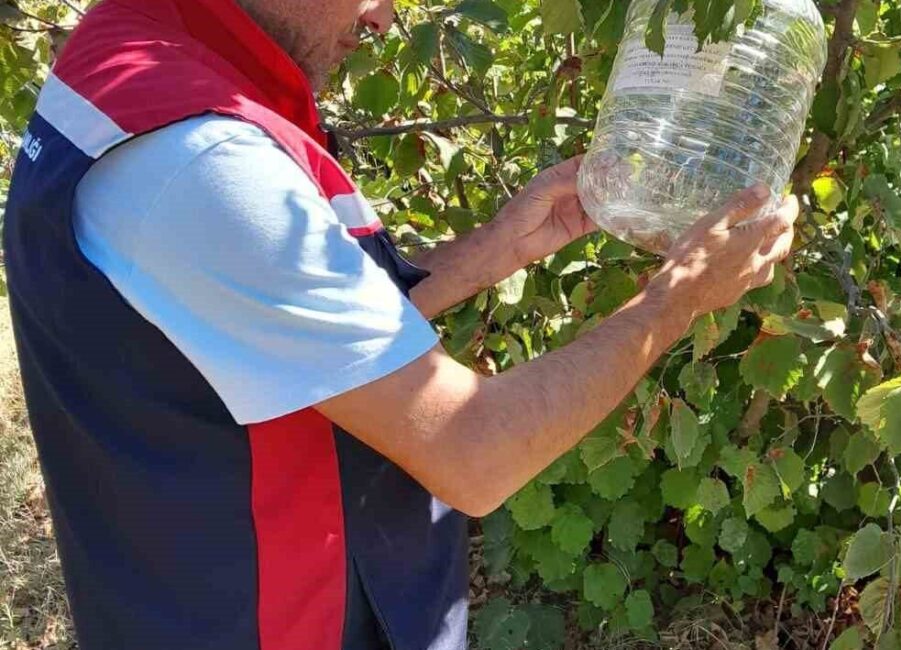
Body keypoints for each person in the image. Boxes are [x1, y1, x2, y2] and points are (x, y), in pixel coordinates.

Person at [1, 0, 798, 648]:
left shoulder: (137, 58)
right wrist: (679, 296)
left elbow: (279, 322)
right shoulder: (197, 161)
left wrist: (492, 250)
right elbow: (473, 451)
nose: (384, 18)